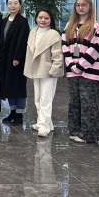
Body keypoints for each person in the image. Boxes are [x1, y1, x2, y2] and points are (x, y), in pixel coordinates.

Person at [61, 0, 99, 144]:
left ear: (90, 7)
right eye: (78, 5)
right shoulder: (69, 26)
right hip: (72, 71)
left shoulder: (95, 26)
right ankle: (74, 130)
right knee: (74, 102)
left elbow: (94, 49)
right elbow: (65, 47)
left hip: (90, 71)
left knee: (89, 104)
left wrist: (80, 66)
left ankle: (89, 135)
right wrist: (71, 65)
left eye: (84, 5)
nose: (81, 8)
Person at [24, 8, 64, 138]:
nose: (43, 20)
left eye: (46, 18)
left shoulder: (53, 34)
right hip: (35, 69)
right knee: (37, 98)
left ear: (51, 20)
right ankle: (46, 123)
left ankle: (43, 126)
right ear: (36, 18)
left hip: (48, 70)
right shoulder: (32, 32)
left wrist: (55, 69)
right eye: (40, 17)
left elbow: (58, 55)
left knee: (45, 99)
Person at [0, 0, 30, 126]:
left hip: (16, 59)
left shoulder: (22, 21)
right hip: (5, 59)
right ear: (7, 5)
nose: (13, 5)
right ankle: (12, 111)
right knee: (9, 85)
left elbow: (22, 41)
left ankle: (19, 114)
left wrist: (17, 57)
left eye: (15, 3)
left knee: (18, 86)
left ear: (20, 6)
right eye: (10, 3)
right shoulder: (4, 21)